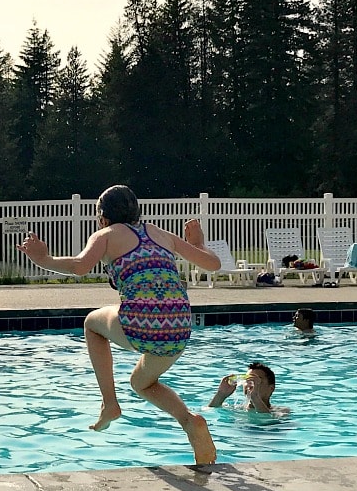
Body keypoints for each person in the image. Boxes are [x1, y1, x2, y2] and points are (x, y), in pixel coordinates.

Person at [17, 184, 221, 465]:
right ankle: (189, 421)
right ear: (137, 212)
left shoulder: (105, 235)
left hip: (138, 325)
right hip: (179, 328)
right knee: (142, 383)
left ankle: (109, 404)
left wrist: (43, 259)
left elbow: (79, 266)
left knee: (91, 324)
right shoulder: (162, 234)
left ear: (102, 217)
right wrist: (197, 243)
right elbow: (213, 264)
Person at [208, 361, 289, 415]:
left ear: (271, 389)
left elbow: (267, 422)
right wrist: (220, 395)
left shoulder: (281, 412)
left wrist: (255, 397)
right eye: (248, 380)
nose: (251, 384)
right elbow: (208, 414)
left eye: (256, 380)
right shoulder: (235, 410)